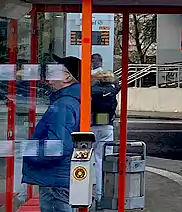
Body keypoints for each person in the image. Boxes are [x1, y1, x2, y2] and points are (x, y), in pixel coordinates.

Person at [24, 55, 83, 212]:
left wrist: (28, 152)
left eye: (54, 70)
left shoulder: (63, 105)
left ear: (67, 77)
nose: (49, 74)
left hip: (55, 180)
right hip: (60, 176)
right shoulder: (72, 100)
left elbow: (59, 146)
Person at [90, 54, 120, 208]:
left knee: (89, 159)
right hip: (107, 125)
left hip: (92, 125)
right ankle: (103, 194)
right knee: (103, 160)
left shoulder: (92, 89)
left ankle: (89, 192)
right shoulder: (113, 89)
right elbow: (118, 84)